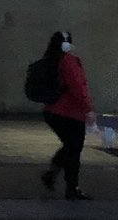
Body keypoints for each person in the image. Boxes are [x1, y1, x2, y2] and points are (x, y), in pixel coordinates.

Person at [40, 30, 94, 200]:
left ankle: (51, 175)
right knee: (73, 150)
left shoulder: (52, 60)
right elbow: (78, 87)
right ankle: (71, 188)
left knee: (70, 147)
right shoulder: (69, 62)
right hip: (70, 113)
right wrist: (88, 109)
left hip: (53, 112)